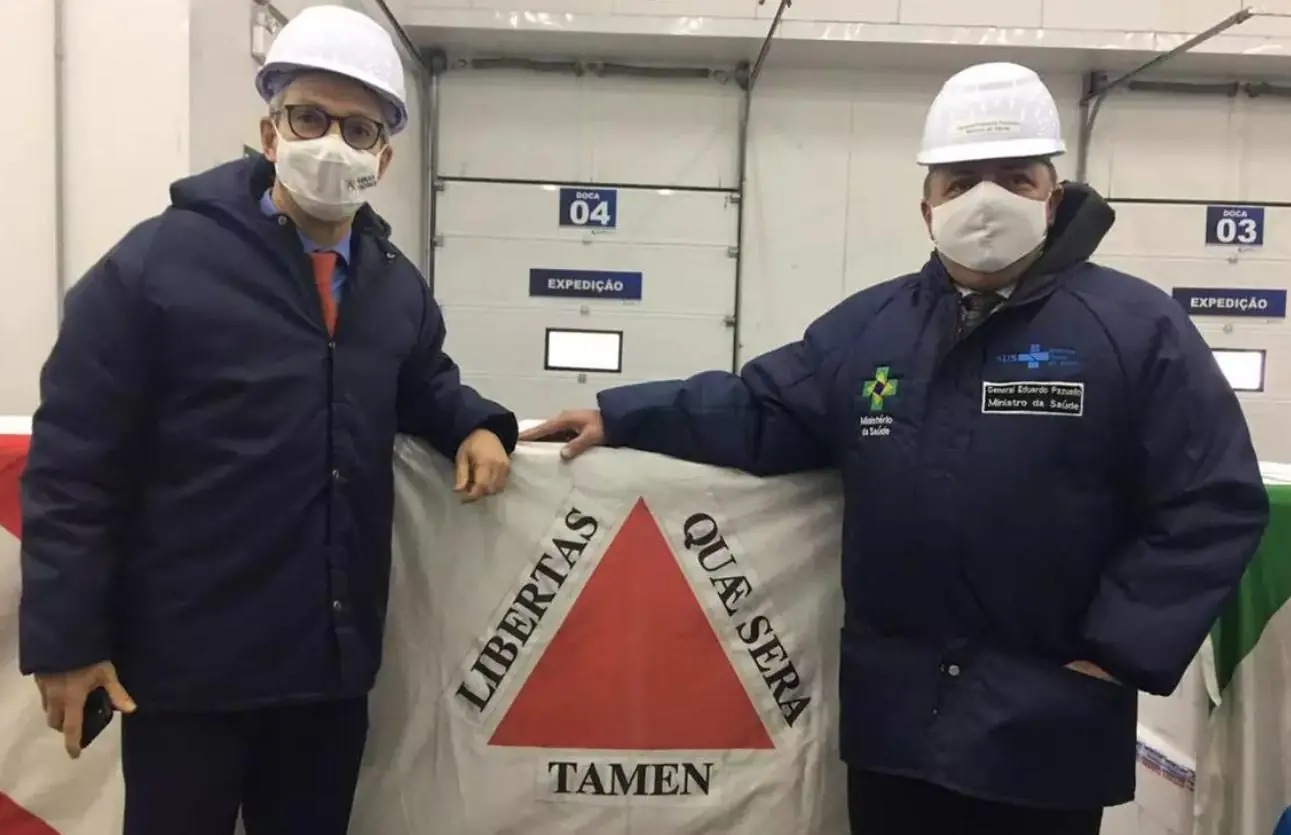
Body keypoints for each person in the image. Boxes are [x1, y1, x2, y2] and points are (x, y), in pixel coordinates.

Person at [521, 62, 1270, 834]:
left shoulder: (1134, 330)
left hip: (1044, 727)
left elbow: (1212, 500)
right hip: (898, 727)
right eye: (961, 182)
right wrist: (621, 415)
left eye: (1015, 177)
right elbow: (761, 406)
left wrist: (1116, 649)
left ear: (1053, 197)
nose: (986, 199)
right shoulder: (872, 330)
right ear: (927, 208)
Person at [18, 6, 517, 835]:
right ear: (269, 130)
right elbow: (76, 460)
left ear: (383, 156)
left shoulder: (393, 286)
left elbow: (422, 380)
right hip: (186, 673)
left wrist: (476, 424)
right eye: (310, 118)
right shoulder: (157, 266)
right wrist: (67, 641)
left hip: (327, 668)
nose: (332, 144)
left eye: (358, 129)